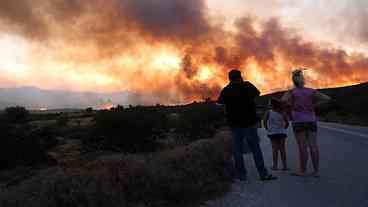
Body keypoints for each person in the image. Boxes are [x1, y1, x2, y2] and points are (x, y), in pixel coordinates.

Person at [217, 69, 277, 181]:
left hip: (235, 124)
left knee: (237, 150)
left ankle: (241, 175)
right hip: (250, 122)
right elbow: (257, 94)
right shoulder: (247, 85)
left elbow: (219, 103)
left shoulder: (226, 90)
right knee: (255, 148)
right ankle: (262, 174)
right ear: (240, 77)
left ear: (229, 79)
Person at [282, 69, 331, 177]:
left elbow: (283, 101)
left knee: (302, 147)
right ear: (303, 80)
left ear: (293, 81)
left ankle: (302, 171)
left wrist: (292, 105)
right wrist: (314, 105)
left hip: (298, 120)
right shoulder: (311, 91)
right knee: (313, 146)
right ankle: (316, 171)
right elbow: (327, 98)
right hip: (311, 120)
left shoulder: (291, 92)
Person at [264, 98, 289, 171]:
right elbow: (287, 123)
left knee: (274, 149)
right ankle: (284, 166)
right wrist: (284, 128)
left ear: (272, 105)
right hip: (281, 133)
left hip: (272, 133)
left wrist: (267, 129)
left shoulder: (268, 112)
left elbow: (265, 121)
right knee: (282, 149)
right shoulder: (283, 112)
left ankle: (275, 166)